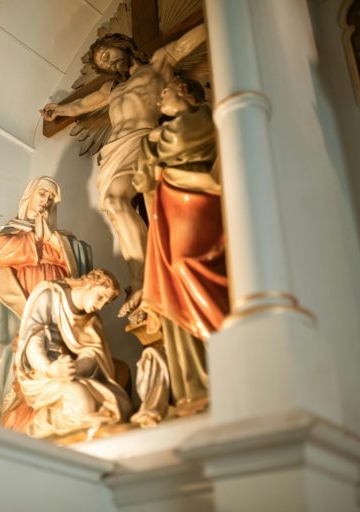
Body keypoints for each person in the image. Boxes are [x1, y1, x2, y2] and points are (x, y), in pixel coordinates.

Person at [41, 25, 207, 318]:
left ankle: (149, 276)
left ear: (122, 45)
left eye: (107, 54)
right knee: (115, 207)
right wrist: (59, 110)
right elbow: (81, 105)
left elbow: (185, 44)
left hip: (144, 139)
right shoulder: (111, 89)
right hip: (114, 151)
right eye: (102, 63)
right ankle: (141, 276)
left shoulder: (158, 64)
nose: (107, 63)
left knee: (132, 200)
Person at [132, 76, 229, 415]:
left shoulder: (204, 117)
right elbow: (141, 179)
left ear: (185, 92)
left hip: (197, 198)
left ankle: (227, 352)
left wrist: (152, 142)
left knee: (188, 264)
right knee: (171, 283)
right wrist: (150, 144)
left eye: (166, 92)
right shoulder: (158, 134)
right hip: (168, 208)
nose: (159, 100)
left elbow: (176, 144)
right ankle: (193, 386)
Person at [0, 177, 92, 426]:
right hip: (26, 303)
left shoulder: (62, 238)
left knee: (57, 351)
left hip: (57, 306)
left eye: (51, 198)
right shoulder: (10, 232)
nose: (46, 201)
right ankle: (20, 416)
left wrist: (53, 240)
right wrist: (39, 239)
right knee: (26, 350)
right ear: (29, 195)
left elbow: (81, 261)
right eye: (42, 193)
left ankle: (57, 411)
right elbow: (1, 251)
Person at [9, 269, 131, 438]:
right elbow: (33, 341)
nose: (101, 306)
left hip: (71, 373)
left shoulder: (91, 320)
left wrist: (75, 367)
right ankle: (45, 429)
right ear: (90, 284)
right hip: (42, 373)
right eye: (101, 297)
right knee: (81, 400)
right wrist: (50, 368)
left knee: (120, 403)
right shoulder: (50, 296)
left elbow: (93, 354)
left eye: (106, 302)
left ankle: (89, 432)